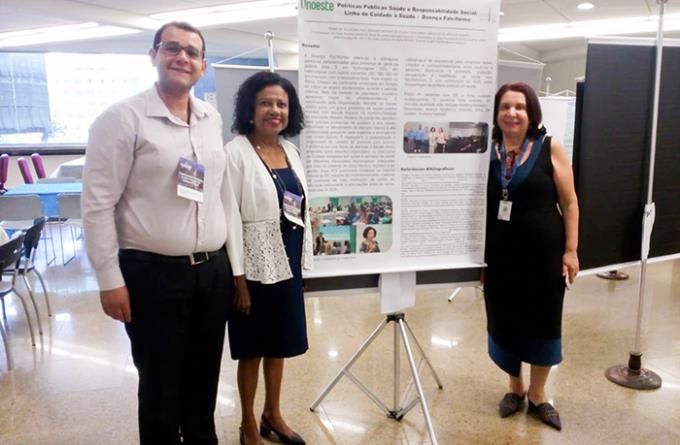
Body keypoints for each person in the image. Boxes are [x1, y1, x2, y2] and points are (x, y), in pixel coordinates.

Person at [82, 22, 244, 445]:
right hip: (151, 274)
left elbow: (216, 194)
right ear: (153, 55)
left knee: (204, 378)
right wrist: (108, 280)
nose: (182, 58)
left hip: (210, 271)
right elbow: (98, 205)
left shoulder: (211, 119)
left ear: (203, 65)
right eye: (172, 48)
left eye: (192, 52)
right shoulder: (122, 118)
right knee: (159, 384)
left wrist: (232, 268)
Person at [483, 82, 579, 431]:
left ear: (531, 112)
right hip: (499, 257)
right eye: (505, 106)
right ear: (496, 113)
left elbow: (569, 203)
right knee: (506, 319)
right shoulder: (486, 151)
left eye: (520, 107)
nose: (512, 113)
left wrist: (571, 250)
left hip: (544, 257)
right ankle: (515, 387)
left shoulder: (549, 147)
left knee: (543, 320)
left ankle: (538, 393)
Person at [225, 71, 311, 445]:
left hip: (287, 260)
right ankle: (247, 423)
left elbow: (301, 209)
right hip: (254, 267)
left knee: (280, 344)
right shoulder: (235, 153)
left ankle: (272, 414)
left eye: (281, 104)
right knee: (253, 349)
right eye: (266, 103)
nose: (274, 110)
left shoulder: (290, 151)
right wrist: (238, 277)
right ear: (250, 108)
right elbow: (229, 218)